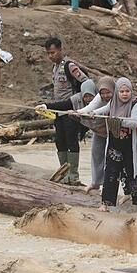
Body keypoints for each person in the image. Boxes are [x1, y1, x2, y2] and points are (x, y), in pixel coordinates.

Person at [90, 77, 137, 212]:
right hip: (114, 145)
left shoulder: (136, 104)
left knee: (133, 173)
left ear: (131, 91)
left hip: (130, 146)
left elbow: (134, 123)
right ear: (117, 92)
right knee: (110, 173)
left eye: (127, 91)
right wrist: (92, 113)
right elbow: (103, 110)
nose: (125, 94)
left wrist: (118, 121)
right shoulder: (114, 102)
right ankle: (105, 204)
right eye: (122, 91)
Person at [44, 37, 89, 185]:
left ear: (60, 50)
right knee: (59, 140)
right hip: (58, 110)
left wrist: (79, 100)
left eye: (53, 52)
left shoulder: (69, 66)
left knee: (71, 140)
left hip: (70, 110)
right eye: (48, 53)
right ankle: (63, 173)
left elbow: (86, 82)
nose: (51, 56)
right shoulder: (55, 67)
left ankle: (73, 175)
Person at [75, 76, 116, 193]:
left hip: (115, 130)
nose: (105, 96)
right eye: (103, 93)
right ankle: (96, 182)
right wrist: (78, 112)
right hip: (101, 129)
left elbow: (107, 108)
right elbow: (90, 106)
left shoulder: (117, 97)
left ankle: (108, 185)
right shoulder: (99, 96)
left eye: (108, 93)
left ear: (113, 90)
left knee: (109, 156)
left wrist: (94, 112)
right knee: (96, 154)